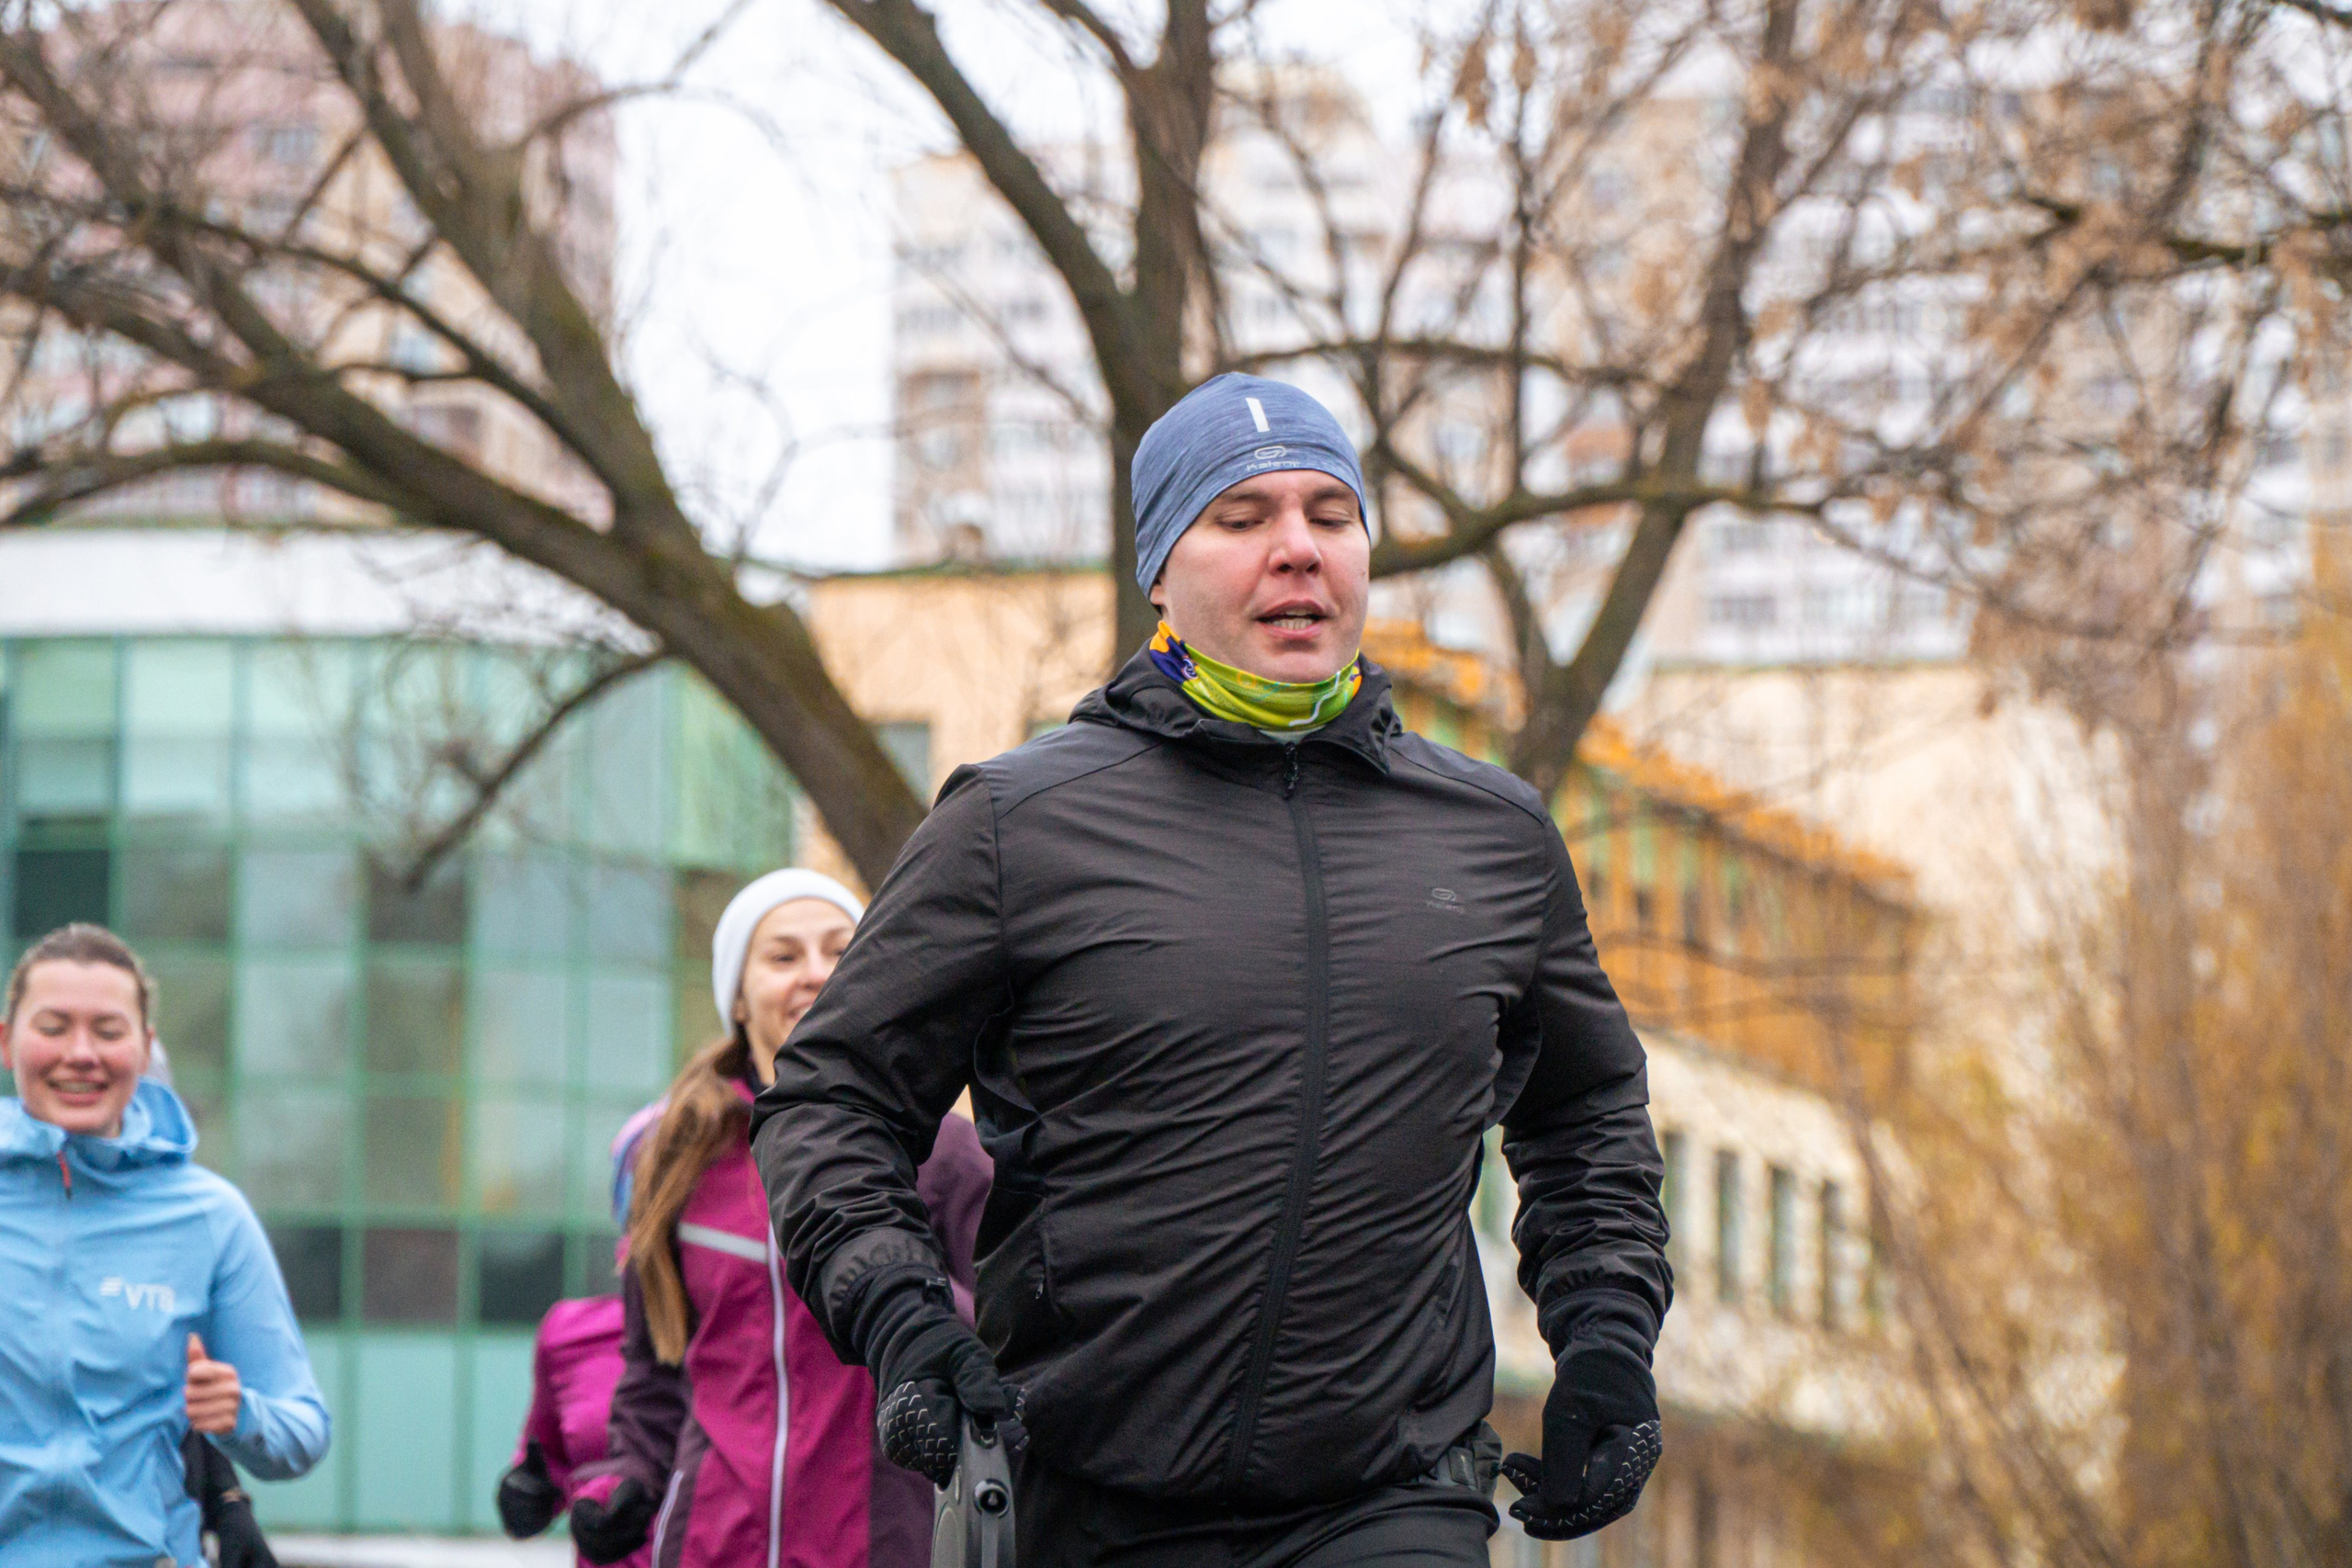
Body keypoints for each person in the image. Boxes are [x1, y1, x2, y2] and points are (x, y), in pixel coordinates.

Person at [752, 373, 1674, 1568]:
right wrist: (903, 1315)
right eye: (1241, 518)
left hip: (1394, 1494)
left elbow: (1587, 1108)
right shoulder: (1019, 822)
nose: (1296, 548)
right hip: (1091, 1496)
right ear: (1161, 573)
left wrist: (1606, 1339)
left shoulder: (1490, 834)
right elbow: (834, 1097)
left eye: (1328, 514)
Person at [569, 871, 993, 1568]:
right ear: (737, 993)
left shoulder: (943, 1152)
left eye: (838, 951)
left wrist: (913, 1306)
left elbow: (1008, 1339)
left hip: (885, 1542)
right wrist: (627, 1479)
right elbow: (653, 1370)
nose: (815, 974)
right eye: (784, 956)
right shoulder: (674, 1157)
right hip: (711, 1544)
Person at [0, 923, 330, 1567]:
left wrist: (238, 1412)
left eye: (108, 1029)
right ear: (8, 1042)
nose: (81, 1052)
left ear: (145, 1047)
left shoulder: (210, 1217)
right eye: (54, 1025)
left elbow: (304, 1431)